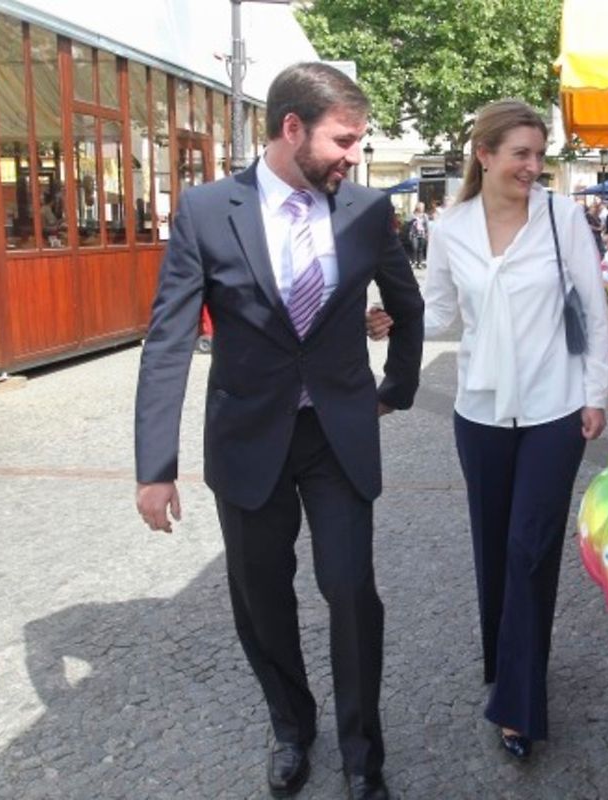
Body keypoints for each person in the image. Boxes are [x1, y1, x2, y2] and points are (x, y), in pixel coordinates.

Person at [134, 62, 423, 800]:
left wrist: (396, 387)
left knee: (350, 587)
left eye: (359, 141)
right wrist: (154, 466)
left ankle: (364, 755)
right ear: (291, 128)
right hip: (247, 439)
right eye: (344, 139)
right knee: (262, 598)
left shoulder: (365, 210)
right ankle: (291, 724)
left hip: (336, 436)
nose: (354, 154)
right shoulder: (205, 210)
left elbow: (407, 302)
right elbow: (168, 340)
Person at [419, 99, 608, 760]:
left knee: (530, 551)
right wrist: (391, 320)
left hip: (554, 410)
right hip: (479, 412)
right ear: (485, 155)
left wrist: (595, 392)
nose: (532, 166)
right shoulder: (451, 228)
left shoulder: (562, 219)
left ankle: (516, 707)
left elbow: (592, 306)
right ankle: (508, 667)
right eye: (520, 154)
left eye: (539, 154)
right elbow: (441, 310)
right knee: (493, 550)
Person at [409, 202, 429, 268]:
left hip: (422, 234)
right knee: (414, 248)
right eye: (421, 207)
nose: (422, 208)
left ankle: (419, 263)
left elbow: (426, 225)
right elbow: (408, 223)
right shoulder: (413, 215)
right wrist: (413, 220)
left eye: (423, 207)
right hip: (414, 234)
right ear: (417, 207)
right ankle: (413, 262)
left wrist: (427, 234)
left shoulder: (425, 215)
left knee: (420, 249)